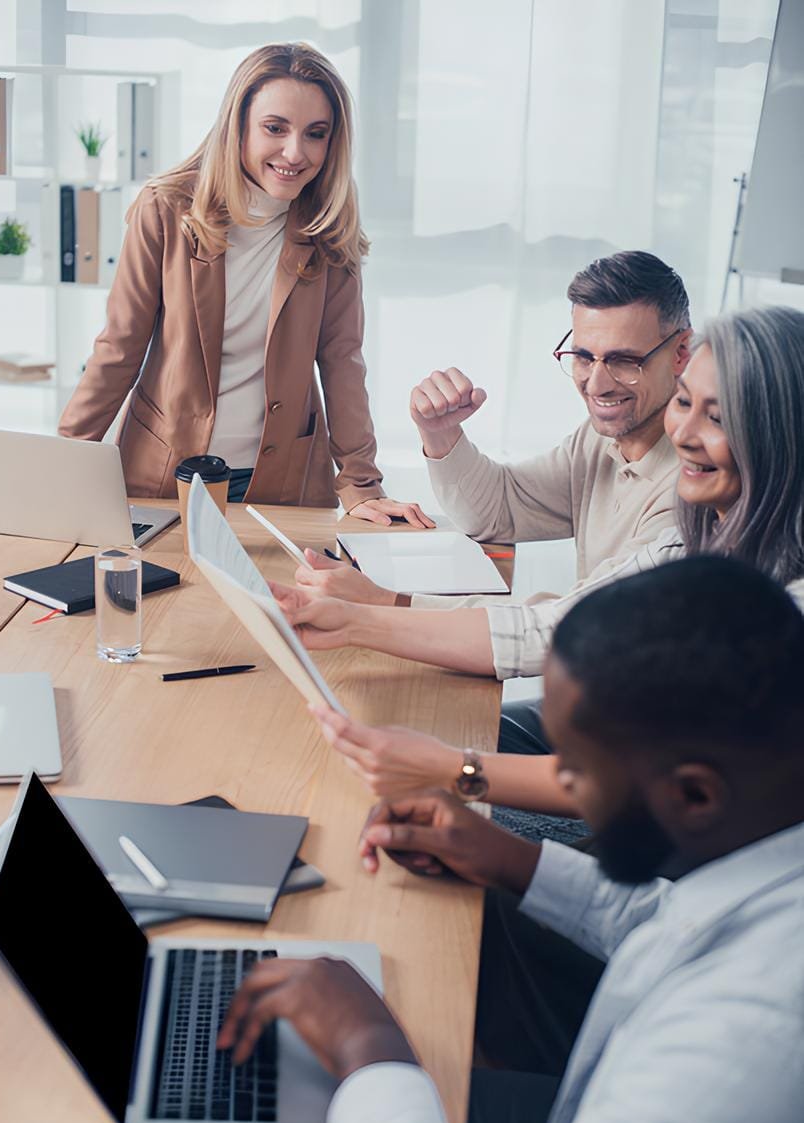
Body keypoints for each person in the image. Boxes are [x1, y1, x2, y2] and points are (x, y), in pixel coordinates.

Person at [218, 556, 804, 1123]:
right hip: (595, 1105)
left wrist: (369, 1047)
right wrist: (513, 860)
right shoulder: (766, 854)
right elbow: (677, 920)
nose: (561, 791)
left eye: (575, 772)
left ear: (694, 795)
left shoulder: (752, 1040)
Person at [272, 305, 804, 839]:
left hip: (661, 829)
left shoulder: (759, 592)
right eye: (685, 403)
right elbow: (540, 580)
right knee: (387, 749)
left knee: (385, 807)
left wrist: (452, 767)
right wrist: (358, 615)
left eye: (717, 417)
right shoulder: (696, 522)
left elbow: (553, 644)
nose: (685, 432)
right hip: (616, 745)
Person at [58, 43, 431, 525]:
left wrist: (361, 483)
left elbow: (341, 359)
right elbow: (120, 346)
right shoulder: (167, 209)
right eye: (275, 128)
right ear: (239, 125)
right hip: (165, 475)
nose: (295, 153)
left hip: (281, 482)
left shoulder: (328, 223)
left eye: (315, 134)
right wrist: (65, 463)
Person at [293, 248, 690, 604]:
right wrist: (441, 434)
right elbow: (500, 510)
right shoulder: (603, 439)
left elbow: (566, 624)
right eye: (584, 357)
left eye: (625, 361)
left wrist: (387, 602)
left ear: (681, 352)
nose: (597, 384)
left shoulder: (690, 488)